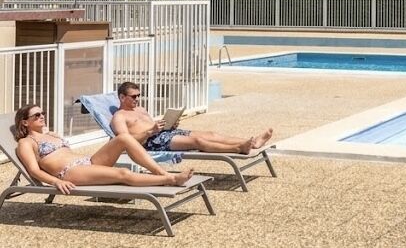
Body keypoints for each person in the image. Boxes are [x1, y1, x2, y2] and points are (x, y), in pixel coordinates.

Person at [13, 103, 194, 195]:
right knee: (122, 173)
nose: (42, 116)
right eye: (36, 115)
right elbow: (34, 170)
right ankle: (170, 179)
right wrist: (55, 182)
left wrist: (49, 134)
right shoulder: (26, 143)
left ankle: (160, 172)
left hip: (88, 162)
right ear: (25, 122)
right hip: (70, 172)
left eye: (43, 113)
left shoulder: (50, 134)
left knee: (123, 138)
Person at [111, 81, 273, 155]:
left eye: (139, 95)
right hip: (152, 142)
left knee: (210, 134)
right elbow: (125, 142)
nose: (137, 99)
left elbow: (151, 126)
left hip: (164, 134)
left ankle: (253, 142)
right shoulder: (119, 117)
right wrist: (150, 132)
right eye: (133, 96)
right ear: (122, 97)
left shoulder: (140, 109)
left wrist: (169, 124)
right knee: (197, 142)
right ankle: (238, 148)